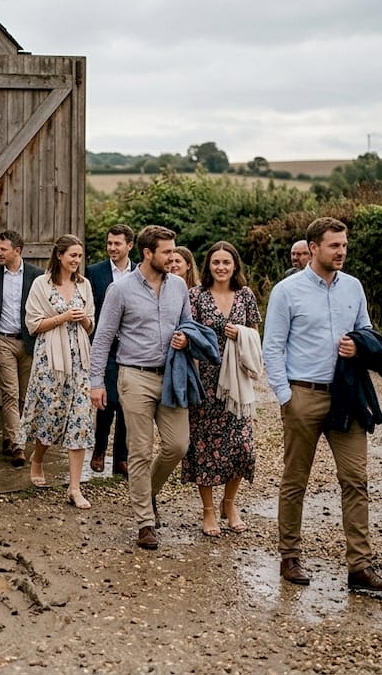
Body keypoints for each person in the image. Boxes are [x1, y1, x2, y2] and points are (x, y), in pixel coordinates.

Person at [263, 216, 382, 591]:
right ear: (314, 248)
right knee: (295, 480)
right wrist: (286, 397)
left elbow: (366, 329)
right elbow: (272, 346)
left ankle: (360, 566)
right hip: (302, 394)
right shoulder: (286, 291)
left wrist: (359, 344)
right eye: (335, 245)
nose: (342, 251)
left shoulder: (353, 287)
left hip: (347, 394)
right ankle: (290, 556)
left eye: (345, 244)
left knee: (355, 479)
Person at [89, 225, 192, 549]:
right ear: (148, 254)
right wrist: (95, 382)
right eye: (167, 252)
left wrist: (186, 337)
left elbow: (187, 324)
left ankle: (148, 492)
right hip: (134, 375)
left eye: (174, 252)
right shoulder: (121, 290)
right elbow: (103, 336)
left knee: (178, 445)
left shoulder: (179, 286)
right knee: (140, 449)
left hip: (171, 375)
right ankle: (145, 522)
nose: (173, 258)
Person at [184, 241, 261, 536]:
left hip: (237, 382)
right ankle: (207, 510)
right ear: (208, 266)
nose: (221, 267)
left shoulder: (245, 295)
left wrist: (240, 334)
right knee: (205, 447)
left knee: (241, 447)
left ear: (235, 266)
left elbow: (254, 333)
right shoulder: (197, 295)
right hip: (205, 379)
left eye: (226, 262)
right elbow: (188, 331)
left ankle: (229, 503)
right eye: (216, 262)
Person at [20, 234, 95, 508]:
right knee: (50, 415)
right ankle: (37, 458)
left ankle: (74, 488)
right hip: (50, 358)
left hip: (80, 361)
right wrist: (63, 317)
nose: (76, 260)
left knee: (80, 420)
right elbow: (32, 324)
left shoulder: (84, 285)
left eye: (79, 256)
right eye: (72, 255)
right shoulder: (42, 284)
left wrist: (84, 318)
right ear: (60, 255)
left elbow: (91, 325)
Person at [0, 230, 45, 467]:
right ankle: (19, 446)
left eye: (3, 249)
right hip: (3, 340)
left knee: (25, 397)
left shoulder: (37, 276)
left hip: (29, 341)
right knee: (10, 393)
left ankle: (9, 437)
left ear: (17, 251)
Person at [85, 224, 136, 479]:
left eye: (117, 244)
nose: (112, 248)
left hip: (131, 346)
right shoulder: (95, 272)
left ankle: (121, 458)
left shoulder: (140, 273)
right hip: (105, 345)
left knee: (128, 401)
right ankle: (99, 448)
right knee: (107, 399)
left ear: (130, 245)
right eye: (109, 243)